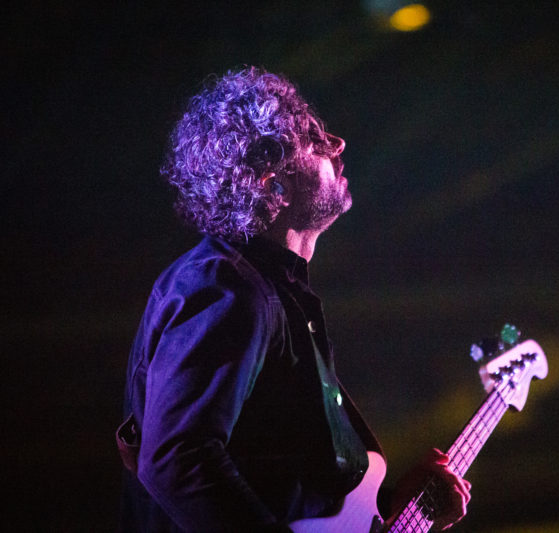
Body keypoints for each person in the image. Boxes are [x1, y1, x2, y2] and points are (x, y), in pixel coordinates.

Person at [117, 66, 471, 532]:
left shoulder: (269, 293)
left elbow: (283, 484)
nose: (338, 144)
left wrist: (394, 508)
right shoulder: (223, 286)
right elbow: (176, 459)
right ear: (272, 182)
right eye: (314, 139)